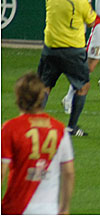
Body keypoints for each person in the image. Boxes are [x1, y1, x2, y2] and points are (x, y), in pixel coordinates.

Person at [37, 0, 96, 137]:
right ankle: (72, 127)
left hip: (50, 48)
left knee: (45, 86)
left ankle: (34, 123)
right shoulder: (79, 0)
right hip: (72, 50)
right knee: (83, 86)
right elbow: (92, 21)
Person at [2, 73, 75, 215]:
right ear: (42, 97)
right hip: (49, 210)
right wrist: (64, 208)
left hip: (16, 207)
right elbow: (69, 172)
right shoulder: (59, 129)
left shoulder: (10, 128)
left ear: (18, 98)